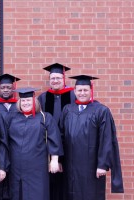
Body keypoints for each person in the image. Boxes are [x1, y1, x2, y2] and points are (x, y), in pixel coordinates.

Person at [59, 75, 124, 200]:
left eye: (85, 90)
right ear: (74, 91)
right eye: (79, 90)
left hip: (92, 166)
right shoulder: (67, 109)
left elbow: (106, 139)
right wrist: (60, 160)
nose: (82, 93)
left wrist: (102, 165)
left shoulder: (101, 110)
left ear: (91, 91)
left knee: (91, 194)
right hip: (71, 165)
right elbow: (61, 135)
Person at [6, 87, 64, 200]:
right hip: (16, 166)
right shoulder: (12, 117)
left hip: (37, 166)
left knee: (37, 194)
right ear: (19, 102)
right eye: (23, 100)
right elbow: (4, 139)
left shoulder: (45, 117)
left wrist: (54, 160)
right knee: (17, 194)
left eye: (28, 100)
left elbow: (54, 138)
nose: (25, 103)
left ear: (34, 101)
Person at [37, 63, 76, 200]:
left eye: (58, 78)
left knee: (67, 180)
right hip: (49, 145)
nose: (55, 81)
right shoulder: (43, 97)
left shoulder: (73, 95)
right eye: (52, 78)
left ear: (64, 79)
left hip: (70, 144)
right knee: (51, 182)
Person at [0, 73, 20, 200]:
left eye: (8, 87)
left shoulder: (19, 105)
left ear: (13, 88)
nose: (5, 90)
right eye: (3, 87)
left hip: (16, 146)